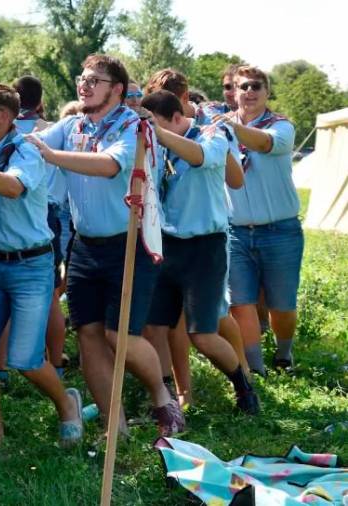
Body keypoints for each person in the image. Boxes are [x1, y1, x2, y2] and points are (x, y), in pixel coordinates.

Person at [26, 54, 184, 436]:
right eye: (82, 78)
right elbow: (27, 143)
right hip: (84, 246)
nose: (84, 84)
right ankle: (117, 426)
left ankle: (164, 399)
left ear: (116, 89)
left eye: (94, 79)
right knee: (88, 334)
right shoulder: (70, 125)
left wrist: (51, 156)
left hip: (131, 243)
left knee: (121, 336)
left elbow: (110, 166)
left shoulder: (133, 127)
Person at [0, 82, 82, 450]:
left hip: (31, 264)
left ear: (5, 116)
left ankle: (66, 404)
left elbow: (13, 188)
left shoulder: (27, 150)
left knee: (24, 359)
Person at [140, 90, 260, 414]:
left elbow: (200, 157)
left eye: (158, 125)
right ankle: (166, 403)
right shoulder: (156, 143)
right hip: (166, 244)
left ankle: (242, 385)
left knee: (202, 335)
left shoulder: (213, 133)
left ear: (177, 118)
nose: (151, 133)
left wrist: (158, 134)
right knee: (155, 327)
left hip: (205, 246)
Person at [213, 66, 303, 375]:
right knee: (240, 302)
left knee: (282, 305)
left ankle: (283, 354)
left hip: (281, 230)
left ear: (267, 92)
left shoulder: (282, 127)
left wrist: (231, 130)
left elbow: (263, 144)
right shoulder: (219, 128)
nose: (249, 92)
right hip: (236, 230)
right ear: (233, 93)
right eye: (243, 87)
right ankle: (256, 369)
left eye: (256, 86)